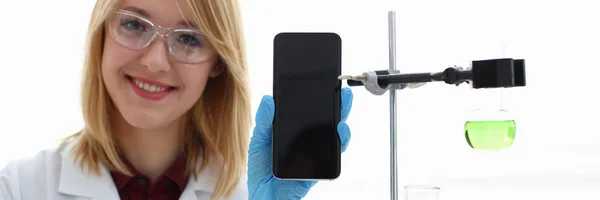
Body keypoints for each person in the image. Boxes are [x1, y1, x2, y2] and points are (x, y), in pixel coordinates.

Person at [0, 0, 354, 199]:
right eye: (134, 25)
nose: (155, 62)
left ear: (218, 63)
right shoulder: (19, 187)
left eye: (189, 38)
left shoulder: (249, 194)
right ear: (101, 35)